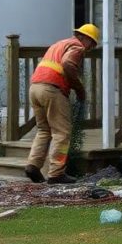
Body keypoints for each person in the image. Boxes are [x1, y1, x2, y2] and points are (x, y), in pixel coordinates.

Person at [24, 24, 100, 185]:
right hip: (52, 89)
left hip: (35, 88)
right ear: (85, 38)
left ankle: (33, 165)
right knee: (62, 133)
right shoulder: (77, 47)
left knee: (44, 130)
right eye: (92, 44)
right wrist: (79, 88)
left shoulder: (59, 44)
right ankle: (56, 173)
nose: (90, 48)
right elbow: (67, 64)